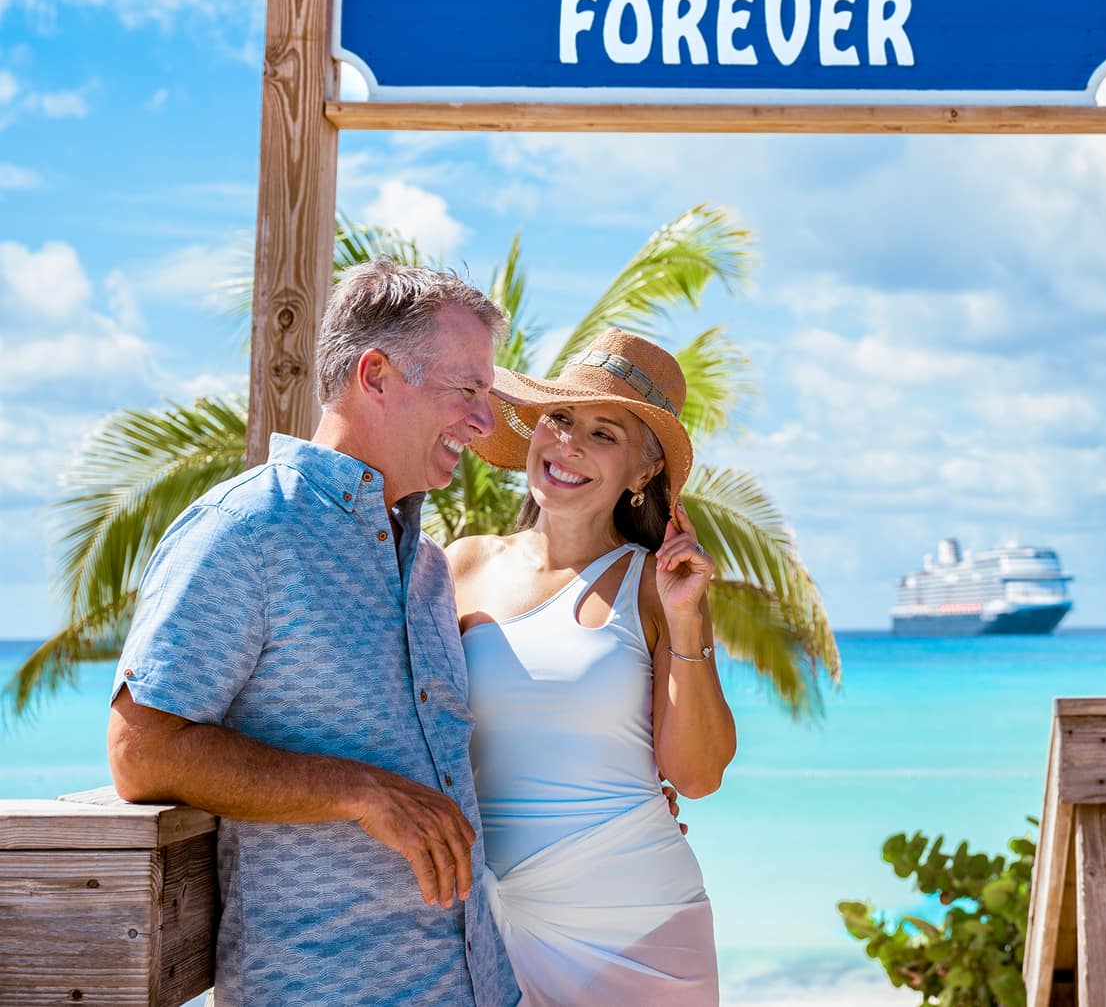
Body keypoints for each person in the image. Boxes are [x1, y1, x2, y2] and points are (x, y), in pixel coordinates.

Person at [106, 260, 520, 1006]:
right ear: (376, 374)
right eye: (468, 390)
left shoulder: (426, 566)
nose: (485, 422)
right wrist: (360, 791)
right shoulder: (244, 530)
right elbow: (142, 749)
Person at [449, 327, 737, 1006]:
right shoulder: (458, 567)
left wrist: (688, 616)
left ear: (643, 473)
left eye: (603, 433)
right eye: (560, 418)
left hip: (640, 930)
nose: (569, 443)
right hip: (491, 928)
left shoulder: (655, 589)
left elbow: (695, 775)